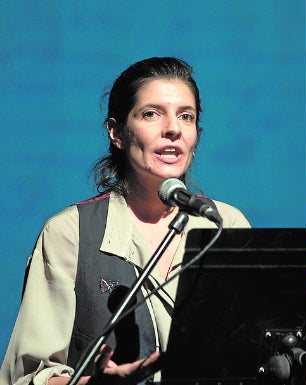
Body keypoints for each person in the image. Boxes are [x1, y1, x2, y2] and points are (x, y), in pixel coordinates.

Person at [0, 57, 250, 385]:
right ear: (116, 132)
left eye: (185, 116)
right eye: (151, 114)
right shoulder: (69, 233)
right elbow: (27, 377)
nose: (173, 129)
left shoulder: (225, 225)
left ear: (196, 136)